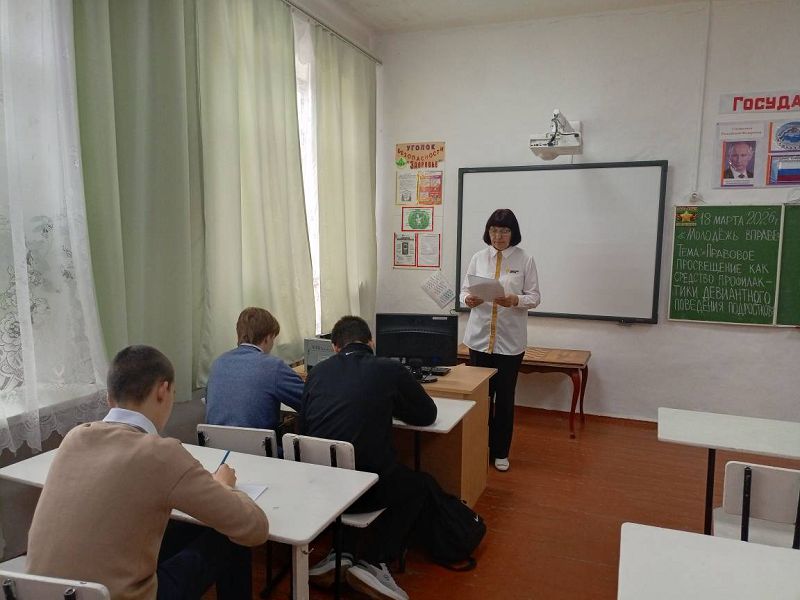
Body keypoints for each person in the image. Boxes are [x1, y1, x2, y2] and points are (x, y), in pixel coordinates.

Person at [26, 345, 269, 600]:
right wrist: (223, 486)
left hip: (40, 593)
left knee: (182, 528)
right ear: (163, 391)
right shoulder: (161, 453)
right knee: (228, 536)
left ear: (110, 398)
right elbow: (254, 528)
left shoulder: (75, 437)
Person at [300, 315, 437, 600]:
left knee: (348, 466)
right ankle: (374, 561)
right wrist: (392, 406)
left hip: (320, 491)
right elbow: (427, 414)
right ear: (371, 343)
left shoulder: (317, 373)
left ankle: (341, 554)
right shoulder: (390, 369)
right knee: (418, 485)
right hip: (366, 490)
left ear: (335, 347)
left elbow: (303, 428)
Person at [460, 208, 541, 472]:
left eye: (504, 231)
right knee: (481, 398)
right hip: (479, 340)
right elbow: (464, 290)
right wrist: (468, 299)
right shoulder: (478, 258)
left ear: (513, 233)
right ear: (488, 232)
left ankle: (501, 452)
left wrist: (515, 300)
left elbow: (535, 297)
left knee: (504, 399)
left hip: (509, 343)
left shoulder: (525, 259)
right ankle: (479, 447)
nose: (498, 236)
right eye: (494, 230)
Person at [206, 306, 303, 432]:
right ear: (268, 338)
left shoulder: (218, 363)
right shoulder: (273, 366)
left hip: (215, 443)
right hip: (259, 444)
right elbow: (309, 401)